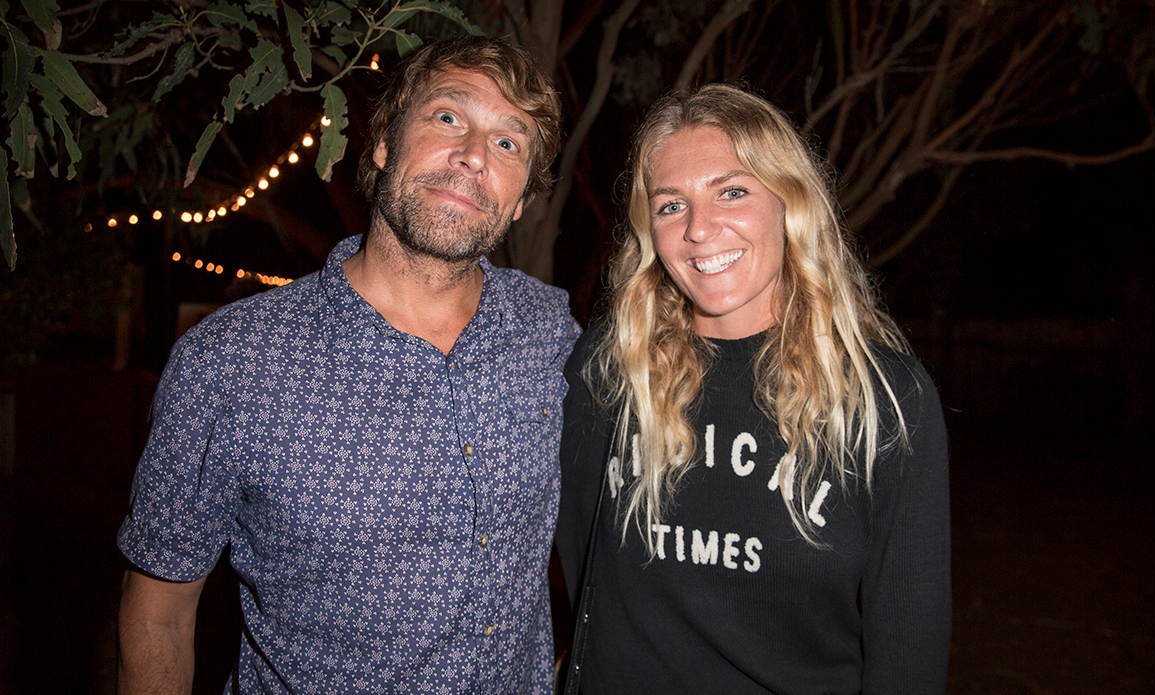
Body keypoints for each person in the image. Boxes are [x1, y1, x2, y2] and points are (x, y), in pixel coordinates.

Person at [117, 35, 580, 695]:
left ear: (521, 200)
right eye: (449, 116)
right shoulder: (231, 362)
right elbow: (157, 612)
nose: (475, 155)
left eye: (508, 142)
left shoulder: (551, 332)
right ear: (384, 142)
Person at [555, 84, 950, 694]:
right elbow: (584, 569)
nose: (698, 228)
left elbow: (908, 654)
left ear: (789, 203)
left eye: (732, 192)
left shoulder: (883, 399)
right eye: (670, 205)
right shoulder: (612, 368)